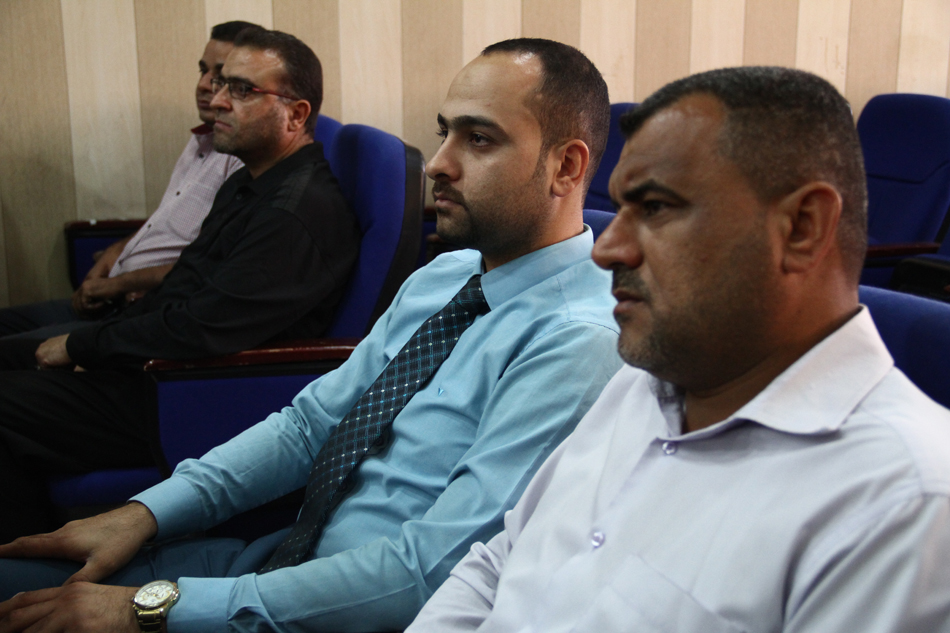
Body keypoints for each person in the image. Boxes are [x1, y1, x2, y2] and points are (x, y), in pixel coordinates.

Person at [0, 37, 619, 633]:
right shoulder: (447, 274)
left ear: (565, 167)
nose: (438, 163)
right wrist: (145, 514)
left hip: (349, 607)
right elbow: (308, 426)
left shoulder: (574, 343)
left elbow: (426, 574)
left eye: (479, 138)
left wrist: (153, 610)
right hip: (276, 561)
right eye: (445, 132)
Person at [405, 67, 950, 633]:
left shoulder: (904, 504)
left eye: (656, 209)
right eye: (621, 209)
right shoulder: (645, 379)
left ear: (802, 228)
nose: (607, 250)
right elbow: (498, 563)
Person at [0, 28, 360, 541]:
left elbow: (203, 328)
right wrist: (98, 344)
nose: (218, 100)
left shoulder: (293, 215)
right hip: (160, 365)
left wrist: (85, 346)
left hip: (194, 394)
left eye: (242, 90)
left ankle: (30, 566)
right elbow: (183, 288)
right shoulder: (247, 182)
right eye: (222, 84)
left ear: (296, 115)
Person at [0, 21, 261, 340]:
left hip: (144, 310)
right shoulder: (201, 141)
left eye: (221, 77)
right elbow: (165, 221)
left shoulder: (241, 156)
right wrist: (116, 252)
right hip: (113, 297)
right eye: (202, 71)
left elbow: (209, 262)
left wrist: (121, 283)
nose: (204, 85)